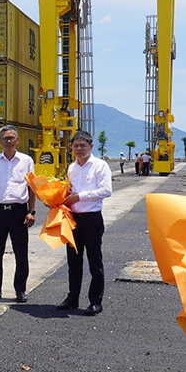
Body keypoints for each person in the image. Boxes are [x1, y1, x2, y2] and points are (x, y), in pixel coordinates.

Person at [0, 124, 35, 302]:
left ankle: (20, 290)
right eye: (5, 139)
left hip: (19, 212)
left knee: (21, 253)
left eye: (12, 138)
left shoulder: (26, 161)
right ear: (0, 141)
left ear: (17, 140)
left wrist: (31, 211)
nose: (9, 141)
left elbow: (31, 188)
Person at [60, 131, 113, 315]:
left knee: (94, 262)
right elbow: (69, 191)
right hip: (73, 220)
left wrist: (80, 196)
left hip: (92, 219)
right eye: (75, 146)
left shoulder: (100, 166)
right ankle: (72, 298)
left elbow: (106, 190)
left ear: (91, 146)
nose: (79, 149)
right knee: (73, 262)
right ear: (71, 148)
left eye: (83, 145)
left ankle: (95, 301)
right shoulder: (71, 168)